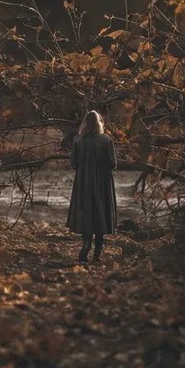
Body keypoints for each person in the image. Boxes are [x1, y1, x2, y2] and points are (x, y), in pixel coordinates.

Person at [67, 110, 117, 263]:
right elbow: (113, 164)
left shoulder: (77, 140)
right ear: (99, 123)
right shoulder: (107, 140)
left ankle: (86, 244)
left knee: (87, 213)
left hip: (83, 182)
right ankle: (97, 253)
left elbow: (73, 164)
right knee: (101, 213)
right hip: (102, 181)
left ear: (85, 124)